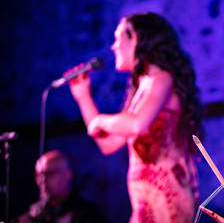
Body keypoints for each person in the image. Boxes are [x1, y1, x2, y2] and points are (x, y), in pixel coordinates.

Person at [67, 12, 202, 223]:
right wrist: (84, 97)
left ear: (136, 38)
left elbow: (138, 124)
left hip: (168, 202)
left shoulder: (162, 78)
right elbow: (109, 144)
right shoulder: (141, 90)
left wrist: (101, 120)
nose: (113, 46)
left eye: (118, 38)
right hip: (144, 205)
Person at [14, 150, 105, 223]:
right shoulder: (33, 215)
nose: (43, 180)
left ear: (68, 174)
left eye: (49, 173)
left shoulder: (88, 215)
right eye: (39, 175)